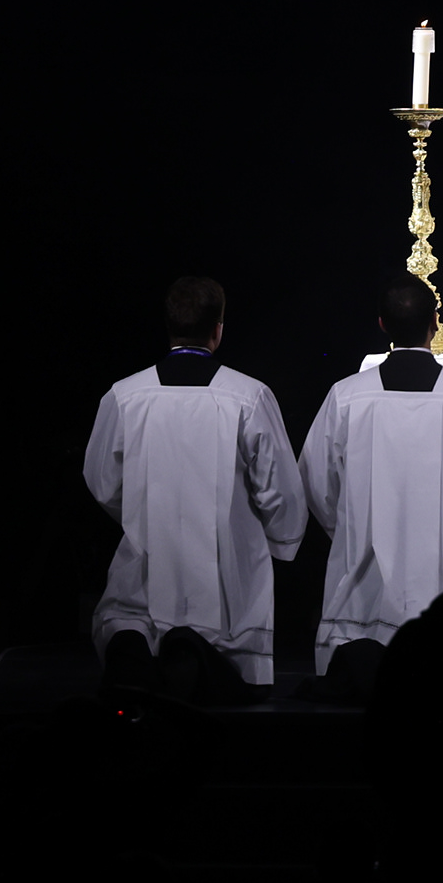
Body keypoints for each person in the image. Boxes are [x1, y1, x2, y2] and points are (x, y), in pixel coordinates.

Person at [83, 275, 306, 701]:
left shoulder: (125, 396)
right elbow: (280, 491)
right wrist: (281, 542)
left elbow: (102, 481)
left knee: (131, 628)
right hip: (229, 578)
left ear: (169, 325)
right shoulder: (249, 396)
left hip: (148, 558)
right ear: (218, 329)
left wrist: (143, 510)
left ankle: (141, 658)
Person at [301, 275, 443, 695]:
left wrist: (351, 529)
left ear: (382, 324)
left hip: (360, 590)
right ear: (435, 323)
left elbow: (315, 482)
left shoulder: (346, 397)